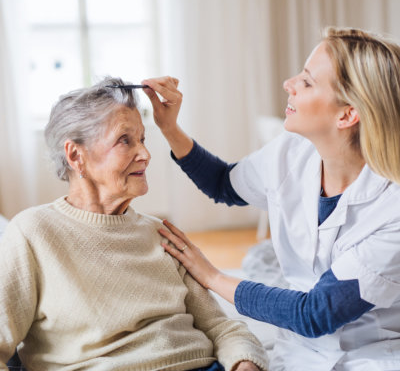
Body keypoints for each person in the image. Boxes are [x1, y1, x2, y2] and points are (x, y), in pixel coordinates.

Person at [142, 27, 400, 371]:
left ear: (347, 115)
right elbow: (223, 183)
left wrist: (210, 275)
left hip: (372, 354)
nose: (288, 84)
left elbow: (315, 314)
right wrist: (170, 128)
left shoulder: (392, 208)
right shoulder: (292, 152)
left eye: (307, 82)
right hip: (297, 350)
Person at [0, 77, 269, 371]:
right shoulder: (33, 233)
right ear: (76, 155)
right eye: (124, 140)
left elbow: (222, 328)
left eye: (142, 139)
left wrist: (245, 363)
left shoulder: (159, 233)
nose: (145, 154)